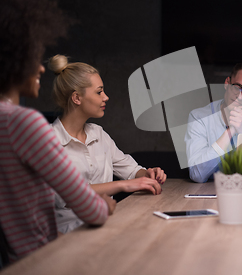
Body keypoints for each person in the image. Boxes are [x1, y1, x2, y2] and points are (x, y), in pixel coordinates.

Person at [0, 0, 114, 265]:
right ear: (13, 60)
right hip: (43, 260)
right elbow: (91, 210)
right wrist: (106, 204)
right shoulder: (23, 123)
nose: (40, 68)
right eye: (32, 57)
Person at [46, 55, 167, 233]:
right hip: (68, 234)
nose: (106, 97)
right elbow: (64, 194)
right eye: (99, 92)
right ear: (77, 98)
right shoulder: (48, 140)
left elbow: (131, 171)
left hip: (106, 224)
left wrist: (147, 174)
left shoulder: (98, 134)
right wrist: (121, 185)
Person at [186, 61, 242, 183]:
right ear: (227, 83)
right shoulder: (199, 117)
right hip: (209, 194)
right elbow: (197, 175)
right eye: (237, 87)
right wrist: (231, 130)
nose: (241, 97)